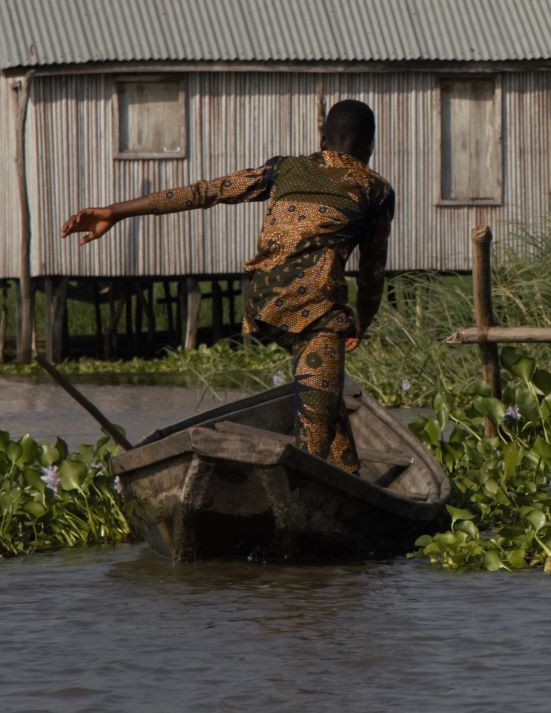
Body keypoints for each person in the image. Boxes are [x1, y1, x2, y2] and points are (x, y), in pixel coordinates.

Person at [59, 99, 395, 471]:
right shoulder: (374, 189)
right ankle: (308, 486)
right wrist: (362, 320)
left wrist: (114, 212)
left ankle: (348, 470)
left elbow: (207, 191)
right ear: (369, 147)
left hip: (264, 304)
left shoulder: (284, 169)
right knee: (312, 446)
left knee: (326, 399)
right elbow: (372, 273)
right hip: (317, 314)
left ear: (322, 141)